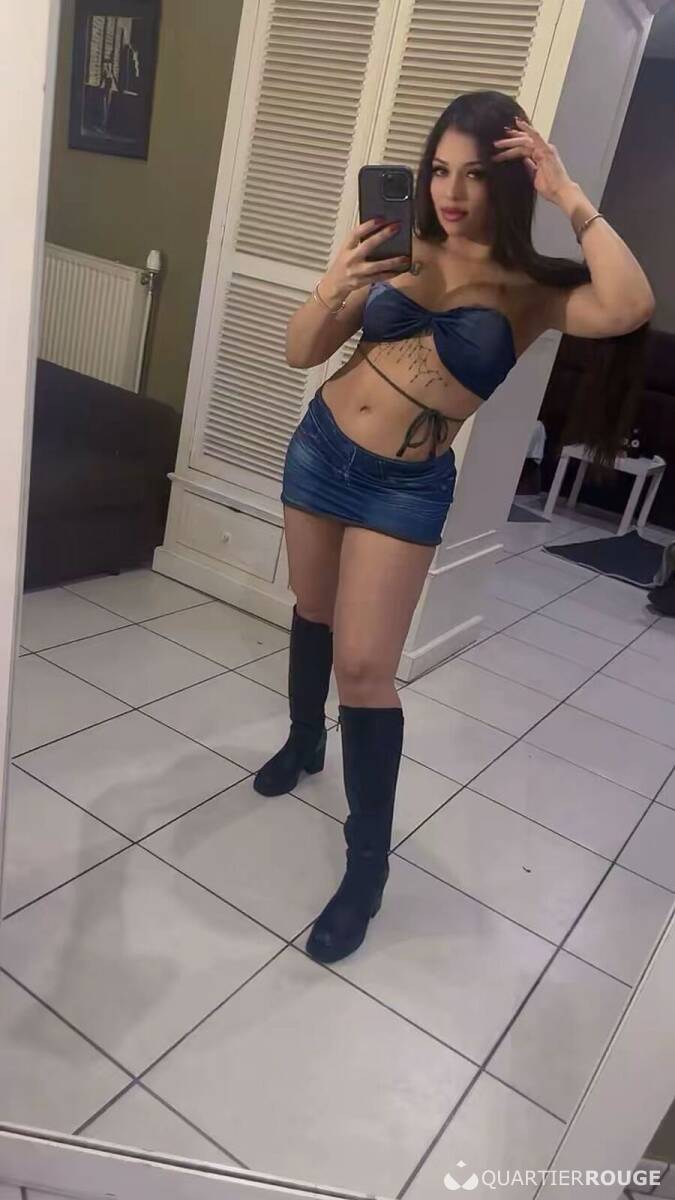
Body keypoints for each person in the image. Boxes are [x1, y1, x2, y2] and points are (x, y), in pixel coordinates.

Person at [253, 91, 655, 965]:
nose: (450, 191)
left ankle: (366, 871)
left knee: (367, 669)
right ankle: (302, 738)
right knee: (311, 610)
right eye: (438, 169)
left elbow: (628, 304)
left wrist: (567, 193)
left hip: (404, 488)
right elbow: (300, 350)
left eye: (474, 175)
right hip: (320, 450)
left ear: (506, 184)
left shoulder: (532, 291)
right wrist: (336, 284)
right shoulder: (396, 248)